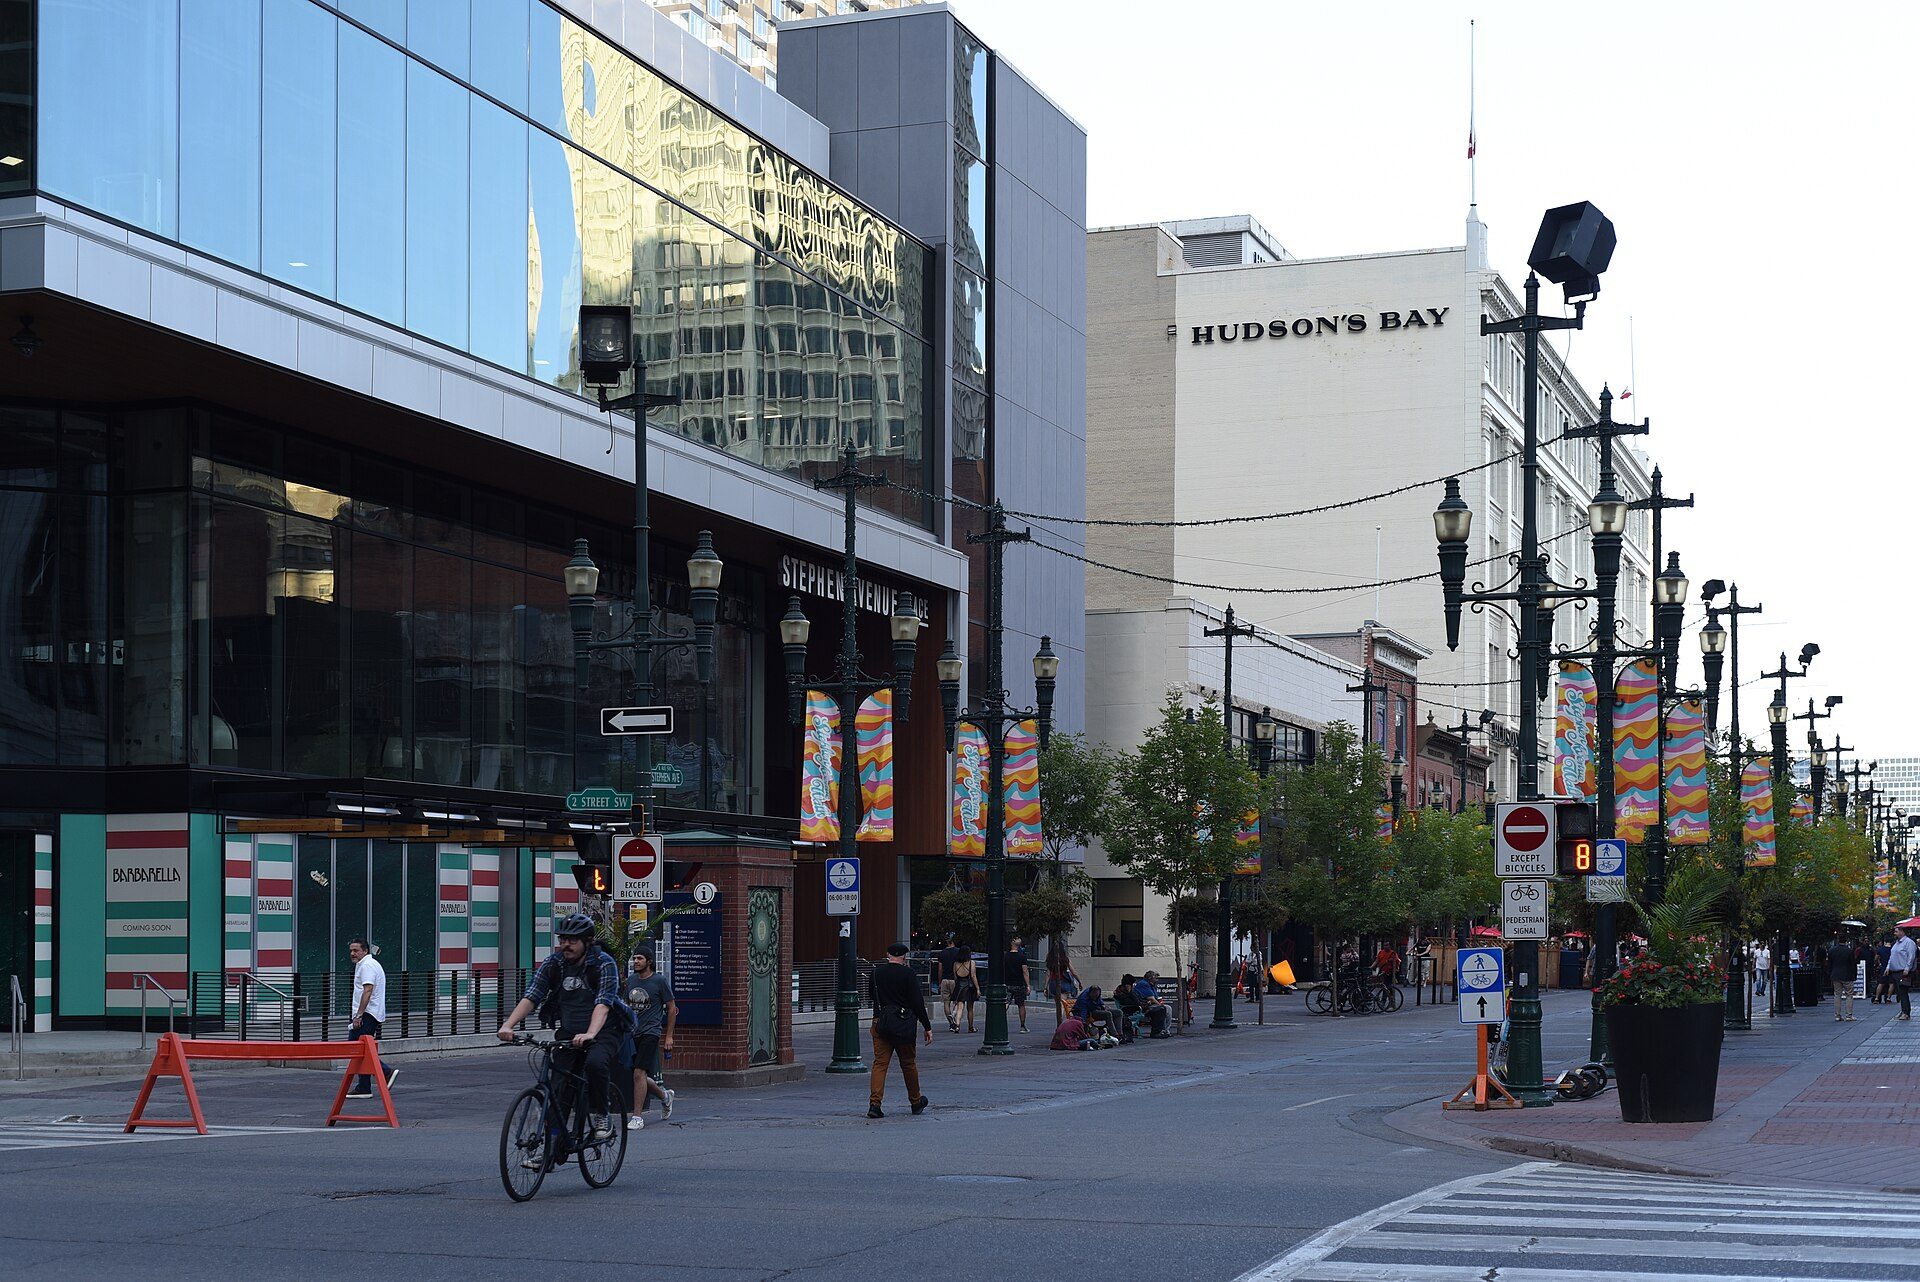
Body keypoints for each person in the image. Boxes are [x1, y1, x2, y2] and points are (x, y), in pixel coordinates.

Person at [498, 914, 627, 1152]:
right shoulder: (554, 963)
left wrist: (590, 1033)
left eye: (573, 940)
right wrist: (509, 1025)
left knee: (596, 1064)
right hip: (569, 1031)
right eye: (563, 939)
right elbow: (532, 995)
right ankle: (552, 1146)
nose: (566, 945)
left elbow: (603, 1002)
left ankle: (602, 1115)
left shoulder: (603, 963)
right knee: (558, 1086)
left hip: (605, 1030)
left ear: (587, 942)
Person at [867, 943, 931, 1118]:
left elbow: (872, 995)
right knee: (908, 1063)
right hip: (903, 1025)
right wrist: (927, 1026)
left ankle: (875, 1104)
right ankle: (916, 1101)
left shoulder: (876, 973)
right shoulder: (908, 974)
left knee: (880, 1064)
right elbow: (917, 1002)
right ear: (903, 957)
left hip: (881, 1022)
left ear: (888, 955)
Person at [624, 947, 677, 1130]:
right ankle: (665, 1096)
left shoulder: (659, 981)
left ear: (649, 961)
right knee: (639, 1076)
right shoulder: (630, 981)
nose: (636, 961)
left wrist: (668, 1036)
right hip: (633, 1034)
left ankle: (637, 1117)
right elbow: (626, 1006)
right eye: (634, 958)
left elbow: (671, 1008)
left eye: (640, 958)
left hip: (651, 1033)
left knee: (639, 1073)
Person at [345, 938, 397, 1099]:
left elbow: (367, 990)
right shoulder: (370, 964)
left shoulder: (367, 966)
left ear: (365, 951)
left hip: (367, 1014)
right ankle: (364, 1087)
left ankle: (385, 1071)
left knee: (357, 1048)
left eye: (356, 950)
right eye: (351, 950)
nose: (353, 954)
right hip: (370, 1013)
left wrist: (359, 1015)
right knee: (362, 1049)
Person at [1827, 934, 1859, 1021]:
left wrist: (1830, 974)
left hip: (1835, 975)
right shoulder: (1849, 951)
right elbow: (1853, 964)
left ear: (1838, 940)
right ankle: (1849, 1015)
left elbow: (1829, 964)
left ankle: (1837, 1015)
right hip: (1847, 975)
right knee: (1849, 995)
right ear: (1846, 941)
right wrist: (1855, 975)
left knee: (1837, 995)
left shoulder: (1832, 951)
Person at [949, 946, 980, 1033]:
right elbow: (973, 976)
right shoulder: (971, 963)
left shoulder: (955, 964)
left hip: (959, 986)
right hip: (969, 986)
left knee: (960, 1007)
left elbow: (955, 977)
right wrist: (977, 988)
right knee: (970, 1008)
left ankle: (957, 1025)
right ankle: (970, 1027)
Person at [933, 935, 961, 1030]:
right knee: (957, 1001)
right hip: (954, 979)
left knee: (946, 1002)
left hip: (945, 980)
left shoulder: (942, 953)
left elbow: (940, 969)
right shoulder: (958, 952)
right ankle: (954, 1016)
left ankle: (951, 1023)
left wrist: (940, 981)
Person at [1046, 946, 1081, 1022]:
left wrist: (1045, 986)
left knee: (1058, 1005)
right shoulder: (1064, 959)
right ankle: (1061, 1022)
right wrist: (1079, 982)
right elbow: (1073, 972)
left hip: (1053, 983)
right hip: (1063, 982)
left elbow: (1048, 974)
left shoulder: (1050, 959)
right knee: (1062, 1004)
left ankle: (1059, 1022)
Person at [1888, 926, 1916, 1020]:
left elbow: (1911, 957)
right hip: (1895, 971)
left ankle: (1906, 1012)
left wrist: (1907, 968)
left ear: (1902, 932)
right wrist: (1888, 967)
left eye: (1896, 931)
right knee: (1899, 993)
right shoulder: (1896, 943)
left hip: (1903, 971)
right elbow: (1892, 956)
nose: (1894, 933)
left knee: (1903, 992)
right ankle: (1903, 1010)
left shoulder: (1909, 943)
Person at [1133, 973, 1172, 1038]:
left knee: (1167, 1008)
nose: (1157, 980)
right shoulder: (1144, 984)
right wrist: (1159, 1005)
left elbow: (1155, 997)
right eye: (1156, 978)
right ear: (1150, 979)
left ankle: (1165, 1030)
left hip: (1149, 1004)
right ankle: (1163, 1030)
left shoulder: (1151, 985)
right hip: (1144, 1006)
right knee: (1164, 1008)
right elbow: (1151, 998)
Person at [1006, 937, 1031, 1032]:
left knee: (1006, 1002)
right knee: (1021, 1005)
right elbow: (1025, 971)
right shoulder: (1022, 956)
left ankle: (1001, 1022)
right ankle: (1022, 1026)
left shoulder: (1006, 956)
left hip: (1008, 983)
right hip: (1019, 984)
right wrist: (1028, 985)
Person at [1873, 938, 1895, 1003]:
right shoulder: (1893, 949)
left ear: (1885, 941)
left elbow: (1876, 958)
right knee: (1891, 984)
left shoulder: (1880, 949)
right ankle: (1888, 998)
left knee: (1881, 983)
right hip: (1892, 968)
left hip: (1883, 968)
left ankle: (1876, 998)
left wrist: (1878, 963)